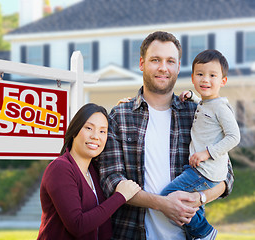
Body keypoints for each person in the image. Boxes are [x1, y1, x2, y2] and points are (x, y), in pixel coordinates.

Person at [98, 31, 235, 240]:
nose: (163, 67)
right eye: (155, 60)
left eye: (170, 61)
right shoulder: (120, 116)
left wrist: (199, 198)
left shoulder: (196, 112)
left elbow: (226, 175)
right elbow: (111, 180)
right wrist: (163, 204)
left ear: (178, 67)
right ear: (142, 63)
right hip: (131, 233)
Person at [159, 49, 240, 240]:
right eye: (200, 74)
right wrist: (192, 97)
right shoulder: (205, 103)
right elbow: (205, 111)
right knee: (190, 204)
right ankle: (197, 235)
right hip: (199, 168)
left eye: (212, 75)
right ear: (193, 78)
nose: (205, 79)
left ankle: (204, 231)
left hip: (205, 170)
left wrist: (207, 153)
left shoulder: (221, 107)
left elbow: (234, 137)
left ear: (223, 81)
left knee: (168, 196)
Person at [37, 103, 141, 240]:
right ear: (75, 130)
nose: (95, 136)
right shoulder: (60, 169)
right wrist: (120, 196)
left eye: (102, 131)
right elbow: (78, 226)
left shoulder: (94, 170)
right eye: (89, 128)